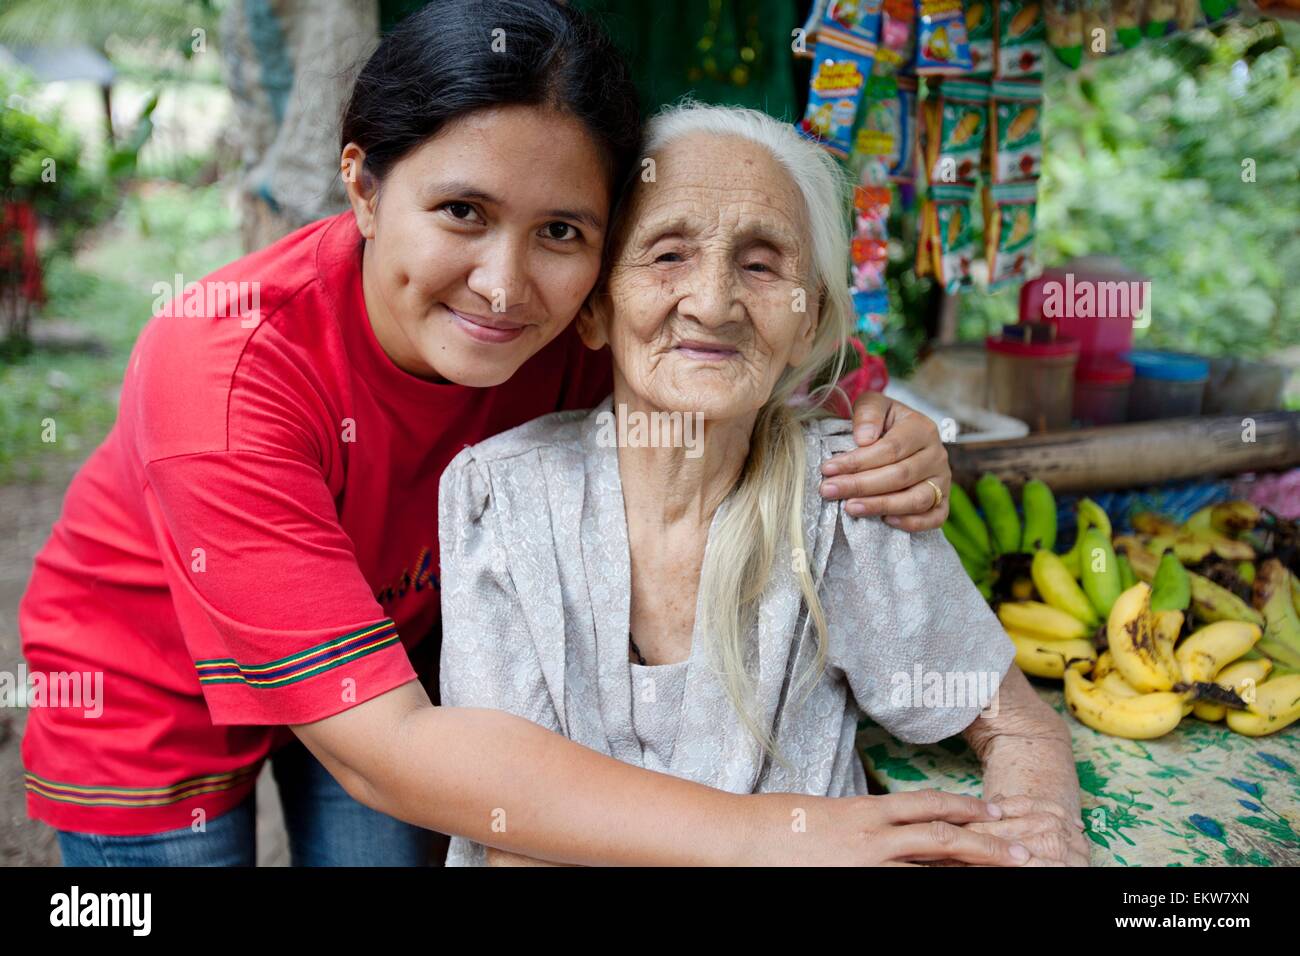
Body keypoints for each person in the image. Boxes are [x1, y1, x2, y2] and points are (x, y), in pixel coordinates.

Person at [21, 0, 974, 867]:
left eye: (561, 231)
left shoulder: (569, 328)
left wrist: (888, 425)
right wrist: (781, 834)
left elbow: (766, 357)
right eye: (462, 213)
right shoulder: (225, 372)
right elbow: (384, 752)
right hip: (152, 691)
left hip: (386, 654)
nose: (505, 286)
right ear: (361, 184)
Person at [439, 104, 1087, 867]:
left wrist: (1033, 836)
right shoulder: (500, 500)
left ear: (809, 322)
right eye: (669, 254)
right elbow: (511, 824)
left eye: (760, 263)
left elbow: (1013, 723)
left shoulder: (848, 494)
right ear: (596, 309)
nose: (712, 303)